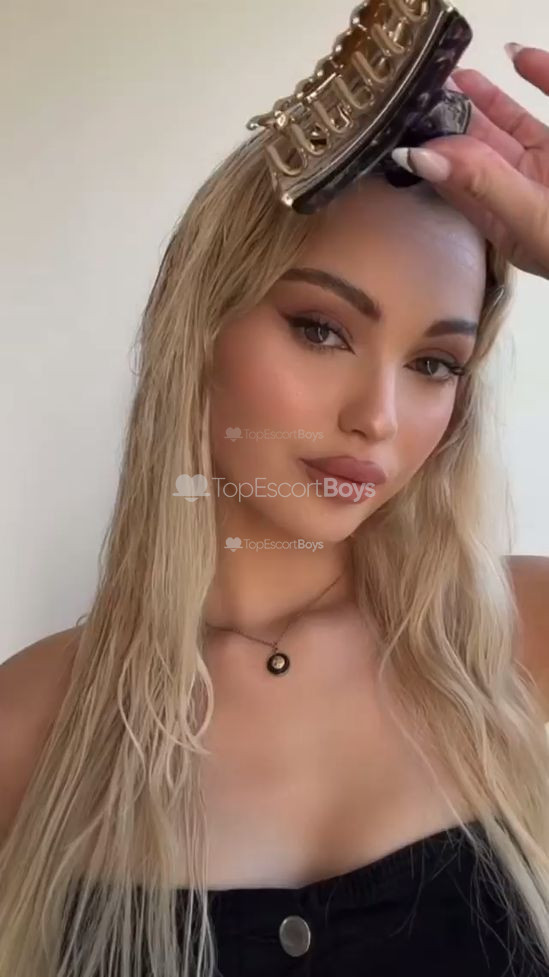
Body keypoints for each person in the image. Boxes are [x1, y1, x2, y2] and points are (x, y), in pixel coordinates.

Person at [2, 26, 549, 977]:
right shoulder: (29, 726)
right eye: (321, 329)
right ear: (202, 326)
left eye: (432, 363)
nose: (376, 417)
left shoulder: (520, 637)